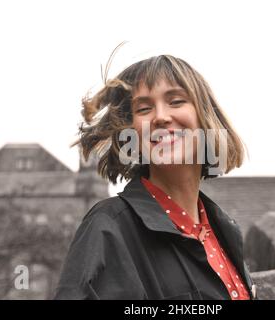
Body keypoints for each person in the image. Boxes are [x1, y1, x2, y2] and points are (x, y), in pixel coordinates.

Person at [54, 50, 257, 300]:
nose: (160, 117)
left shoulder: (223, 230)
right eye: (144, 108)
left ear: (204, 116)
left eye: (176, 101)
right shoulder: (108, 227)